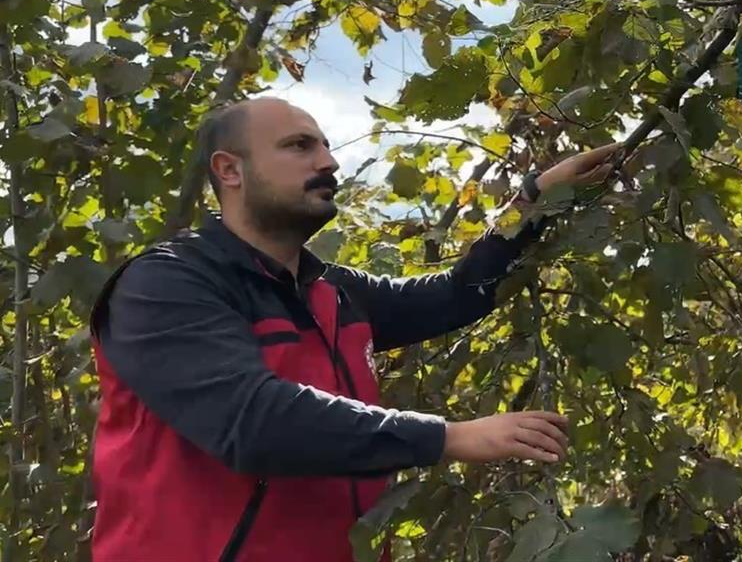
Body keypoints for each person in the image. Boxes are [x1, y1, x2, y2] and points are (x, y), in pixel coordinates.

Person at [87, 97, 619, 562]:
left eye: (324, 145)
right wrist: (447, 436)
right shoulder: (167, 284)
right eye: (299, 147)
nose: (329, 162)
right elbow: (250, 421)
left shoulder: (333, 291)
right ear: (230, 170)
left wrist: (534, 199)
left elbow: (455, 294)